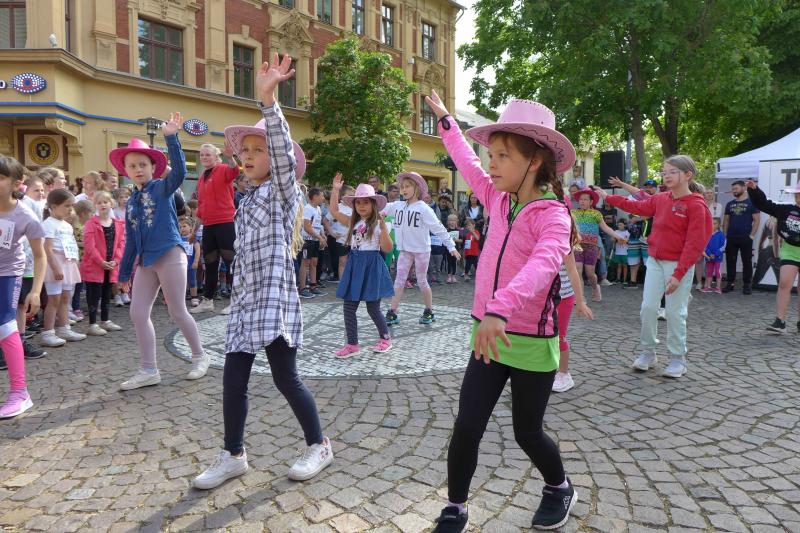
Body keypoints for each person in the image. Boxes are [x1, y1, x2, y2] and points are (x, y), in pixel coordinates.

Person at [427, 91, 579, 532]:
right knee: (467, 425)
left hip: (530, 342)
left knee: (527, 432)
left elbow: (542, 266)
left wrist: (500, 308)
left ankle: (559, 487)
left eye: (502, 156)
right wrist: (446, 122)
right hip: (488, 335)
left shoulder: (554, 216)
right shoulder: (497, 199)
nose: (490, 164)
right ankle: (455, 506)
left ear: (534, 161)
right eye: (490, 154)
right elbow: (465, 161)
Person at [193, 54, 334, 490]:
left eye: (259, 150)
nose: (250, 156)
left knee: (285, 377)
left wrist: (268, 101)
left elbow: (281, 150)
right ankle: (233, 454)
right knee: (233, 379)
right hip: (245, 301)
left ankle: (319, 445)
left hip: (274, 300)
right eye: (246, 151)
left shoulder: (282, 192)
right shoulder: (248, 198)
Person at [113, 112, 209, 389]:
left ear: (153, 167)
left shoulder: (161, 187)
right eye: (133, 166)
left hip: (170, 255)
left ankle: (200, 356)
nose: (138, 169)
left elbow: (179, 173)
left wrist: (171, 137)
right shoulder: (131, 202)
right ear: (126, 170)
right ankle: (148, 369)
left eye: (143, 164)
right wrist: (124, 273)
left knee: (177, 311)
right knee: (137, 313)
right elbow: (131, 240)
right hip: (146, 262)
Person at [596, 155, 712, 378]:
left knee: (674, 312)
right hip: (655, 262)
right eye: (664, 172)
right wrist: (609, 198)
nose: (666, 176)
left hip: (678, 265)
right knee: (648, 308)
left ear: (688, 175)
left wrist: (679, 274)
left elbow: (695, 244)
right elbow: (637, 206)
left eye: (672, 172)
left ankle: (677, 358)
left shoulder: (697, 206)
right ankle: (648, 352)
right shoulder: (660, 199)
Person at [328, 173, 394, 357]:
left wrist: (384, 229)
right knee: (349, 307)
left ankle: (385, 339)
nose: (362, 206)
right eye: (358, 202)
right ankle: (352, 344)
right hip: (355, 265)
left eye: (366, 202)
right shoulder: (354, 221)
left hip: (371, 266)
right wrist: (335, 190)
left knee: (373, 307)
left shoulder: (378, 223)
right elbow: (334, 211)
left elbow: (387, 248)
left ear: (373, 204)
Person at [0, 156, 46, 418]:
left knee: (6, 326)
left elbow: (40, 255)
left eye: (0, 178)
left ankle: (20, 393)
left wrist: (36, 291)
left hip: (8, 274)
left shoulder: (25, 216)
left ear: (17, 184)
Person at [384, 171, 460, 326]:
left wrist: (451, 246)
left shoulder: (424, 209)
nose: (404, 190)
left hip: (421, 250)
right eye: (402, 187)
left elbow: (439, 228)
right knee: (399, 279)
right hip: (405, 250)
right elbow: (379, 207)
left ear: (417, 189)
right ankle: (392, 311)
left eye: (407, 186)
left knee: (422, 280)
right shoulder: (397, 206)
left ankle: (429, 310)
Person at [190, 142, 239, 316]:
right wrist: (194, 231)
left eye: (207, 154)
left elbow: (235, 171)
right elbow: (201, 208)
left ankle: (237, 302)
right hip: (208, 225)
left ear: (216, 157)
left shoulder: (223, 168)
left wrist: (230, 157)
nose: (204, 157)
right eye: (202, 155)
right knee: (210, 263)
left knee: (231, 262)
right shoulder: (201, 178)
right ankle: (207, 301)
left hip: (225, 222)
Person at [745, 180, 800, 333]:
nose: (798, 198)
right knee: (784, 283)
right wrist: (754, 190)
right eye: (797, 195)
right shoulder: (786, 209)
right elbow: (764, 204)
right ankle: (780, 321)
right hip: (790, 251)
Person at [39, 189, 87, 347]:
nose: (70, 209)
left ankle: (64, 328)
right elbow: (47, 249)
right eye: (67, 206)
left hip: (68, 264)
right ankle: (48, 333)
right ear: (54, 206)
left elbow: (71, 245)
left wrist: (75, 262)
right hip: (56, 264)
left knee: (66, 298)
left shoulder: (67, 225)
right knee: (54, 299)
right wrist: (55, 268)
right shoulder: (48, 224)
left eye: (72, 206)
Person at [80, 191, 125, 336]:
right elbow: (90, 246)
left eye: (105, 202)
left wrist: (116, 260)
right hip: (94, 266)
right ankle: (92, 323)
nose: (102, 205)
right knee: (93, 295)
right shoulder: (91, 224)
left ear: (111, 203)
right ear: (95, 206)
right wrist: (101, 261)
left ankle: (105, 320)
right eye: (99, 203)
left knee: (106, 293)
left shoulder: (118, 224)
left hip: (110, 266)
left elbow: (121, 244)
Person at [569, 188, 622, 302]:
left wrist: (617, 236)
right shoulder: (573, 213)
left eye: (585, 199)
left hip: (592, 246)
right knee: (578, 270)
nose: (582, 201)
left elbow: (605, 227)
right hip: (577, 245)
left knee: (590, 274)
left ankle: (595, 287)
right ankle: (580, 297)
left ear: (591, 202)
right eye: (581, 199)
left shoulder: (596, 214)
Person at [552, 250, 593, 393]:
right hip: (542, 296)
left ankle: (563, 374)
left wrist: (580, 301)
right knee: (537, 333)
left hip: (563, 297)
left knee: (559, 335)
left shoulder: (564, 242)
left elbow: (572, 271)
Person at [722, 179, 760, 294]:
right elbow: (726, 220)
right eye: (733, 189)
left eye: (736, 188)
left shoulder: (752, 203)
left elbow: (757, 220)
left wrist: (751, 236)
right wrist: (725, 235)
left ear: (744, 188)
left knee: (746, 261)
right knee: (730, 261)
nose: (734, 191)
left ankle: (747, 285)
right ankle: (730, 283)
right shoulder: (730, 204)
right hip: (731, 237)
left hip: (746, 238)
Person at [298, 187, 328, 298]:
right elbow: (307, 227)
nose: (323, 198)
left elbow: (318, 224)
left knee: (314, 262)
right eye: (321, 196)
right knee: (305, 263)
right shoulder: (307, 208)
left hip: (315, 239)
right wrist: (319, 237)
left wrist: (322, 235)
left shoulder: (318, 209)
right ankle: (302, 288)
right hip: (307, 240)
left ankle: (313, 286)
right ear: (315, 197)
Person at [326, 183, 354, 280]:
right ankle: (342, 283)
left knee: (353, 262)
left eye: (353, 196)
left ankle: (351, 283)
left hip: (355, 240)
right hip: (342, 240)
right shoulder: (337, 207)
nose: (352, 198)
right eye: (349, 195)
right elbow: (325, 220)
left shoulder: (356, 207)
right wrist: (332, 232)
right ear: (342, 196)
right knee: (343, 262)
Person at [179, 217, 201, 308]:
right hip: (180, 265)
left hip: (191, 264)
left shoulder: (193, 238)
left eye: (184, 226)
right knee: (181, 282)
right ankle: (180, 299)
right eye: (180, 227)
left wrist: (196, 261)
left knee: (192, 281)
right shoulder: (178, 239)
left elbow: (198, 250)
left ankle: (194, 297)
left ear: (190, 227)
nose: (182, 229)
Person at [701, 218, 725, 293]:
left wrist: (716, 254)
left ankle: (718, 287)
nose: (713, 225)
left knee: (717, 272)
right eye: (712, 223)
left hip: (718, 257)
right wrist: (709, 253)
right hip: (709, 257)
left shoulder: (721, 235)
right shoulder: (707, 234)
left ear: (719, 225)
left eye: (715, 223)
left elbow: (723, 246)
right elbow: (705, 245)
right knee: (709, 272)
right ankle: (708, 287)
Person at [611, 219, 630, 283]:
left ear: (624, 225)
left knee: (625, 265)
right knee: (619, 265)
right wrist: (618, 240)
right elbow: (612, 239)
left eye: (621, 225)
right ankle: (618, 279)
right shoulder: (616, 231)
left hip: (625, 252)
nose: (619, 226)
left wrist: (618, 239)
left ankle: (624, 280)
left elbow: (626, 240)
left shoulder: (627, 232)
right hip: (618, 252)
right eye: (618, 225)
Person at [445, 214, 462, 283]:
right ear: (448, 221)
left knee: (454, 263)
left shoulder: (459, 230)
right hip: (448, 250)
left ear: (456, 221)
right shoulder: (446, 230)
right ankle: (449, 276)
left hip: (456, 249)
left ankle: (453, 276)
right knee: (449, 263)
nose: (452, 222)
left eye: (454, 220)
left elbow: (461, 240)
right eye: (450, 220)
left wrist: (456, 240)